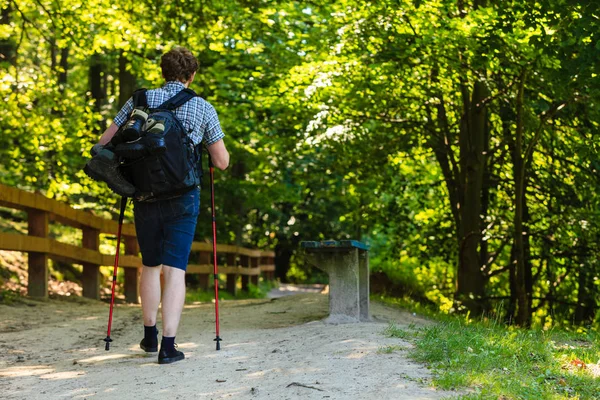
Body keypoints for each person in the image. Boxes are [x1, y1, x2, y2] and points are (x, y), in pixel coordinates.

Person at [93, 47, 229, 364]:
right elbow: (221, 162)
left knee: (150, 266)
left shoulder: (138, 101)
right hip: (183, 197)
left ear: (162, 71)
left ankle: (149, 336)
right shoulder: (202, 107)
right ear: (191, 75)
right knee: (175, 269)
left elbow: (103, 144)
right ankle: (169, 347)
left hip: (144, 196)